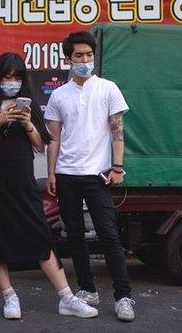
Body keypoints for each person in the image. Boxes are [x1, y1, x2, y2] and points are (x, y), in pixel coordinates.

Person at [0, 52, 98, 320]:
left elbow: (40, 144)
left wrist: (26, 124)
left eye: (16, 77)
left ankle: (66, 298)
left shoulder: (30, 106)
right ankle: (9, 297)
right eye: (6, 77)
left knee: (40, 235)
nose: (11, 82)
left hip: (22, 183)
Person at [44, 31, 135, 322]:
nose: (84, 61)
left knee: (109, 236)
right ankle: (87, 289)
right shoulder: (59, 95)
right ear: (68, 59)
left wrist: (117, 167)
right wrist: (51, 174)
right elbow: (53, 139)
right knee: (75, 236)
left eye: (89, 55)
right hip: (67, 175)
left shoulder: (108, 89)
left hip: (97, 175)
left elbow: (118, 132)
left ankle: (123, 297)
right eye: (78, 56)